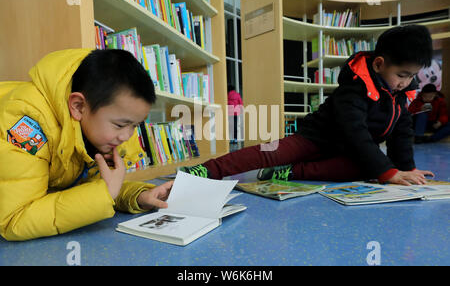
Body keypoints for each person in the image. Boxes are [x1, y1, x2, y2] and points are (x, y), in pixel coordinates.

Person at [179, 25, 435, 186]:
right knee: (270, 151)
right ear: (379, 64)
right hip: (314, 138)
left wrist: (405, 168)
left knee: (370, 168)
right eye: (402, 75)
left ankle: (288, 173)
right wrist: (388, 172)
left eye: (412, 76)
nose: (406, 82)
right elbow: (355, 132)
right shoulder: (354, 88)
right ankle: (204, 170)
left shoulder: (401, 95)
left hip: (347, 151)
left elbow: (402, 133)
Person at [0, 49, 173, 241]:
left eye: (135, 125)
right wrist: (103, 194)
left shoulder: (96, 128)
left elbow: (85, 186)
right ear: (78, 106)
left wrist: (138, 196)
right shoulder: (24, 124)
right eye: (121, 125)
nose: (127, 135)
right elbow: (13, 219)